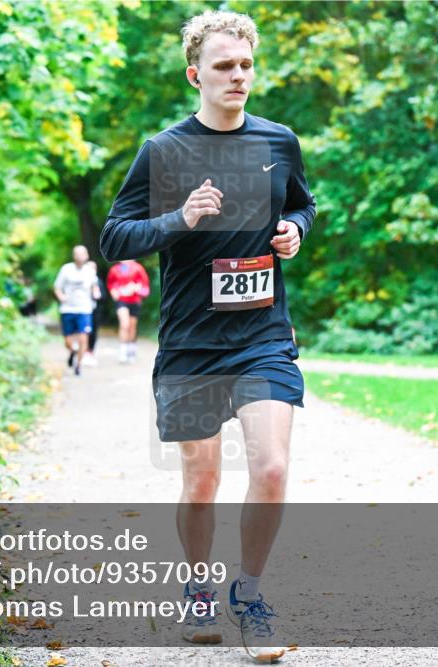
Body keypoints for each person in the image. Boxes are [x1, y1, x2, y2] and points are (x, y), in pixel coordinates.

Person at [99, 10, 315, 663]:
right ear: (196, 73)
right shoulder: (163, 151)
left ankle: (248, 595)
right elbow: (115, 240)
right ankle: (198, 586)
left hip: (263, 335)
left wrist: (297, 231)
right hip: (193, 342)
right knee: (201, 478)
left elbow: (303, 203)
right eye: (224, 66)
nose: (238, 76)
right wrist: (179, 217)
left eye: (246, 65)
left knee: (272, 466)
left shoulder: (279, 142)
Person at [53, 245, 101, 376]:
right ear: (74, 256)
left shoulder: (90, 271)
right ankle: (73, 351)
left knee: (83, 337)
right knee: (68, 341)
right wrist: (61, 297)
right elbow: (57, 287)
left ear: (86, 256)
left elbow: (94, 287)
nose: (81, 256)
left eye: (83, 254)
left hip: (85, 309)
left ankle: (78, 365)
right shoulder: (66, 269)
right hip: (68, 309)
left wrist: (96, 294)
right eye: (78, 254)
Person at [107, 259, 151, 363]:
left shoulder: (138, 268)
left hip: (135, 301)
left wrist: (136, 288)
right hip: (121, 300)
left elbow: (145, 286)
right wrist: (113, 292)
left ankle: (131, 351)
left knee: (132, 326)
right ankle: (123, 352)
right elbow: (111, 284)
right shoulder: (115, 269)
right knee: (124, 324)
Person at [84, 265, 107, 367]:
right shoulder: (82, 281)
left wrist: (97, 294)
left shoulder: (98, 282)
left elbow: (103, 296)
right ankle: (83, 351)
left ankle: (90, 351)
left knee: (93, 331)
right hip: (83, 310)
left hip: (95, 311)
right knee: (84, 331)